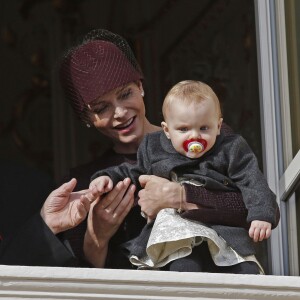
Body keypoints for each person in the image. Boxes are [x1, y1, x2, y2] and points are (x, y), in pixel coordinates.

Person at [0, 29, 279, 269]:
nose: (120, 113)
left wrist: (180, 196)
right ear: (87, 119)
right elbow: (82, 285)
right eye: (101, 108)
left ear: (140, 86)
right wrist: (97, 235)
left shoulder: (203, 135)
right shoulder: (89, 183)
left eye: (125, 94)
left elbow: (256, 208)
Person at [89, 80, 278, 274]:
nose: (194, 136)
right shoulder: (153, 147)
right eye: (183, 129)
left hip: (220, 229)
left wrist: (261, 215)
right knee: (185, 265)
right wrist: (107, 178)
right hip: (176, 230)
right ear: (167, 131)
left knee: (245, 270)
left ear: (219, 126)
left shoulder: (229, 148)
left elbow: (251, 180)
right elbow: (133, 172)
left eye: (204, 128)